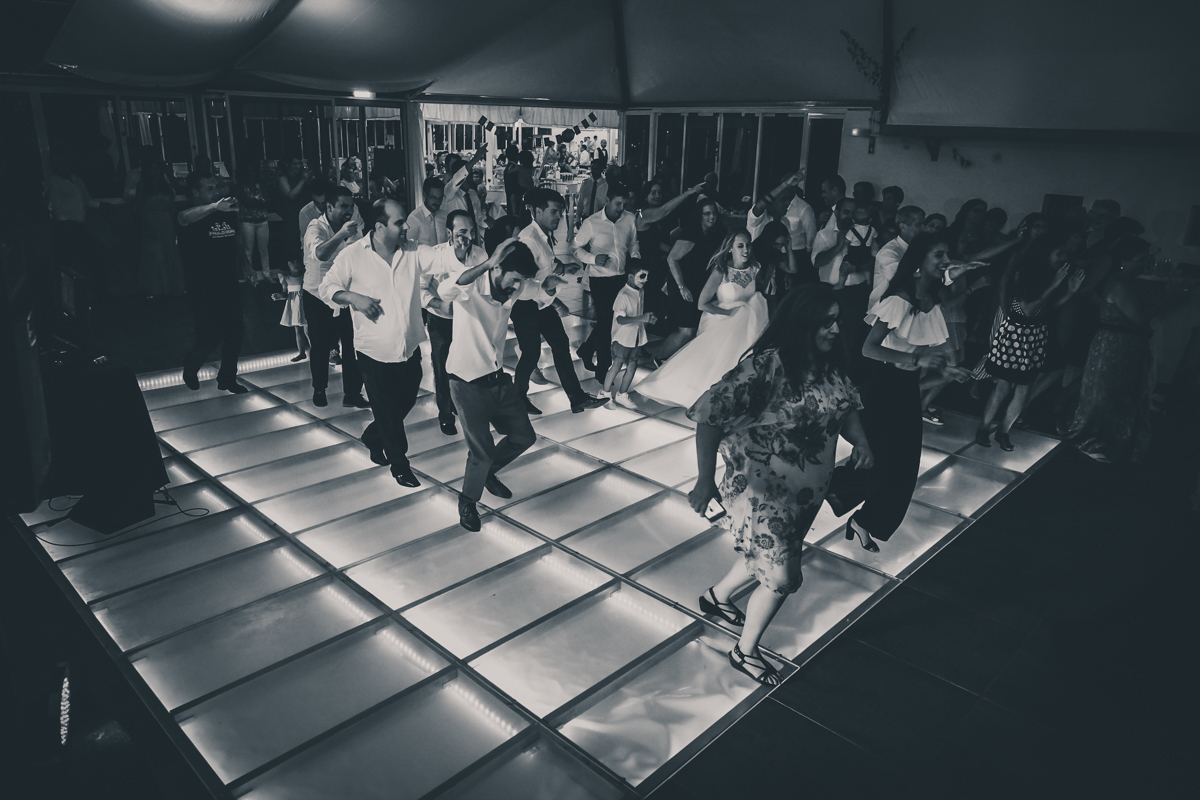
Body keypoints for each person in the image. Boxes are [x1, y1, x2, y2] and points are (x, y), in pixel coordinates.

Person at [687, 284, 874, 685]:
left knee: (769, 556)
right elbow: (709, 415)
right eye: (826, 322)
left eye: (838, 321)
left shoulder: (830, 366)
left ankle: (717, 597)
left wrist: (861, 442)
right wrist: (704, 480)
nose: (836, 329)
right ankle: (745, 652)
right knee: (782, 577)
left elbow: (847, 407)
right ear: (803, 322)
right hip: (761, 490)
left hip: (803, 494)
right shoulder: (767, 366)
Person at [826, 233, 968, 549]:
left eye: (946, 255)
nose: (946, 261)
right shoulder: (900, 299)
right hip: (882, 386)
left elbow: (920, 350)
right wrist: (916, 359)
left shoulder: (929, 301)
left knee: (904, 466)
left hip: (903, 387)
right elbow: (869, 348)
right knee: (882, 461)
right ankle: (825, 489)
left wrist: (945, 371)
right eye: (939, 255)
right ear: (919, 262)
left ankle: (866, 521)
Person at [320, 198, 427, 488]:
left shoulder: (411, 250)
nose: (406, 227)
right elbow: (326, 287)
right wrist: (353, 297)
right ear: (380, 227)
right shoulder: (353, 255)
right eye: (399, 222)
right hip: (373, 352)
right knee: (386, 410)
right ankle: (400, 465)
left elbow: (438, 258)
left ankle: (371, 436)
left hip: (408, 347)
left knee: (404, 402)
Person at [438, 238, 539, 531]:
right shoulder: (470, 288)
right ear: (496, 269)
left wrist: (552, 286)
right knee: (481, 452)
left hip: (498, 379)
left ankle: (485, 474)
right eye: (514, 279)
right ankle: (467, 501)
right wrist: (487, 263)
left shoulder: (514, 288)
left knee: (524, 436)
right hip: (466, 383)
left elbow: (537, 289)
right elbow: (444, 290)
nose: (516, 286)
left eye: (520, 281)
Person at [1066, 238, 1192, 464]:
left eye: (1147, 259)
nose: (1145, 264)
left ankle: (1117, 442)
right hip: (1114, 345)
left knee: (1123, 394)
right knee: (1106, 394)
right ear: (1124, 261)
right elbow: (1140, 318)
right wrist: (1170, 297)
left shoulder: (1130, 281)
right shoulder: (1119, 285)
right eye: (1141, 259)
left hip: (1129, 345)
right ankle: (1097, 441)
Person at [636, 230, 769, 408]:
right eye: (740, 246)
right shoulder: (721, 271)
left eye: (748, 245)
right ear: (730, 248)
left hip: (749, 326)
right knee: (716, 364)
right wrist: (730, 314)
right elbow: (702, 304)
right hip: (725, 324)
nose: (746, 250)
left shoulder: (754, 268)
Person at [976, 238, 1085, 451]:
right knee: (1003, 386)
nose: (1063, 258)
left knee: (1024, 388)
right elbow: (1027, 309)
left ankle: (1003, 431)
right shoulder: (1028, 275)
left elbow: (1048, 308)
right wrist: (1054, 285)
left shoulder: (1049, 275)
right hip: (1016, 334)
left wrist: (1070, 291)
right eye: (1058, 253)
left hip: (1035, 335)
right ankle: (984, 427)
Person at [515, 188, 607, 414]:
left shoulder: (542, 235)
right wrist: (550, 294)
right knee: (531, 354)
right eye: (554, 212)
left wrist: (564, 268)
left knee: (560, 345)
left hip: (541, 303)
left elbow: (546, 264)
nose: (559, 217)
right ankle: (517, 399)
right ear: (538, 212)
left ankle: (576, 398)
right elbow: (521, 280)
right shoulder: (529, 239)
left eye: (561, 212)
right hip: (526, 305)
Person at [178, 170, 247, 394]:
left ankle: (227, 378)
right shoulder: (191, 211)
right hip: (202, 285)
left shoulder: (225, 211)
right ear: (195, 192)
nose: (215, 192)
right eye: (209, 188)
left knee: (235, 332)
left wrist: (246, 265)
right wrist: (214, 206)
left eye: (216, 187)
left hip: (228, 281)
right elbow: (184, 218)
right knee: (209, 335)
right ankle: (191, 366)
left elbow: (235, 239)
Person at [420, 209, 487, 436]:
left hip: (469, 321)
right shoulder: (435, 256)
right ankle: (445, 414)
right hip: (441, 321)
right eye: (461, 232)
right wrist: (438, 304)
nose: (467, 237)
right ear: (449, 233)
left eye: (471, 232)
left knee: (467, 367)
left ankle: (462, 406)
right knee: (442, 368)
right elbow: (418, 289)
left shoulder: (480, 254)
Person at [303, 186, 368, 408]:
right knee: (320, 347)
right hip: (317, 295)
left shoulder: (353, 225)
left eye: (351, 206)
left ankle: (352, 394)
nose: (349, 211)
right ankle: (319, 389)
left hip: (346, 295)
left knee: (353, 346)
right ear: (329, 207)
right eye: (343, 206)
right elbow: (321, 254)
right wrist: (341, 234)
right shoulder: (315, 227)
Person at [573, 183, 641, 384]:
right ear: (607, 200)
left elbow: (633, 242)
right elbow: (575, 248)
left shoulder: (629, 218)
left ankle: (586, 350)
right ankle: (603, 368)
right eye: (618, 203)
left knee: (609, 321)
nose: (621, 208)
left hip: (621, 277)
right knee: (605, 322)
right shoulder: (592, 222)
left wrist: (635, 258)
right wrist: (593, 259)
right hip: (600, 279)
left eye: (624, 204)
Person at [813, 198, 872, 380]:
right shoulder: (825, 235)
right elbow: (817, 262)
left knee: (851, 339)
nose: (850, 216)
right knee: (824, 336)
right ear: (837, 212)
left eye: (853, 213)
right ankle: (822, 375)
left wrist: (857, 267)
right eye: (846, 211)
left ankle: (844, 379)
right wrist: (839, 245)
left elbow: (874, 261)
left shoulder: (865, 233)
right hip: (830, 291)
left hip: (856, 293)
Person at [661, 198, 726, 359]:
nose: (712, 217)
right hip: (682, 284)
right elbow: (672, 259)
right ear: (700, 215)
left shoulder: (718, 233)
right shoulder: (691, 233)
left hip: (700, 286)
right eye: (707, 214)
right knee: (686, 330)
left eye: (714, 213)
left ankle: (675, 362)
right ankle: (660, 360)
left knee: (694, 329)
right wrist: (682, 286)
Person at [604, 260, 655, 408]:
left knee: (633, 365)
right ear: (631, 276)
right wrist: (641, 318)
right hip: (622, 338)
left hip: (636, 337)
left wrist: (646, 319)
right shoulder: (623, 295)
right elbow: (620, 319)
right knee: (617, 365)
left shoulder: (640, 291)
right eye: (642, 276)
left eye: (647, 276)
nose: (646, 280)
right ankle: (605, 394)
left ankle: (622, 394)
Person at [134, 151, 185, 297]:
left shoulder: (166, 187)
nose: (155, 172)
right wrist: (147, 224)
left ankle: (172, 289)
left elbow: (172, 206)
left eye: (158, 169)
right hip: (150, 221)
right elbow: (140, 208)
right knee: (155, 255)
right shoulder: (142, 186)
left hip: (166, 222)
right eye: (152, 169)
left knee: (170, 253)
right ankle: (156, 290)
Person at [868, 205, 925, 309]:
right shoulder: (889, 252)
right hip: (884, 310)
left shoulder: (919, 248)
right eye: (919, 224)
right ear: (903, 227)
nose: (923, 228)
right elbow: (901, 280)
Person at [751, 220, 798, 316]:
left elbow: (792, 269)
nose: (779, 247)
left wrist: (789, 248)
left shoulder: (775, 252)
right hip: (755, 295)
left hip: (771, 295)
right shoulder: (753, 250)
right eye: (776, 244)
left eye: (782, 244)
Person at [277, 156, 312, 264]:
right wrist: (302, 180)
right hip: (291, 216)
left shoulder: (303, 176)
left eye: (299, 164)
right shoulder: (283, 179)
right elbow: (290, 195)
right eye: (295, 164)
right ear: (288, 165)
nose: (298, 166)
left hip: (305, 214)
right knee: (292, 244)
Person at [273, 260, 308, 362]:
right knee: (298, 330)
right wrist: (279, 296)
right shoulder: (286, 278)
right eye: (292, 262)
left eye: (297, 262)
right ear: (287, 264)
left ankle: (316, 350)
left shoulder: (306, 276)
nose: (295, 264)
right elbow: (285, 293)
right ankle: (302, 353)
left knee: (308, 330)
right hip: (294, 306)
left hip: (305, 305)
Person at [407, 176, 447, 247]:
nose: (438, 202)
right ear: (424, 195)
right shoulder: (414, 218)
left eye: (440, 198)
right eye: (434, 198)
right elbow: (409, 247)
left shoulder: (445, 216)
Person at [574, 161, 609, 230]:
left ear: (601, 170)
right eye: (592, 168)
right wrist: (578, 219)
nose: (594, 171)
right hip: (586, 217)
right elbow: (580, 202)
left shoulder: (606, 185)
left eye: (596, 169)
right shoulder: (585, 184)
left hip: (600, 218)